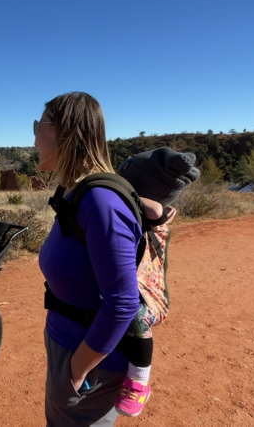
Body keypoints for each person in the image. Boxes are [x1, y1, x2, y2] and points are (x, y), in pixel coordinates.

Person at [35, 92, 141, 426]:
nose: (34, 135)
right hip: (67, 343)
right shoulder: (73, 191)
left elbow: (122, 303)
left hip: (88, 362)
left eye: (40, 125)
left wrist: (76, 371)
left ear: (65, 133)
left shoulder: (99, 202)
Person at [111, 147, 199, 417]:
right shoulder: (131, 210)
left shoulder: (157, 215)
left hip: (146, 296)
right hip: (126, 286)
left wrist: (119, 190)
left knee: (135, 317)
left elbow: (153, 207)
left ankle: (139, 381)